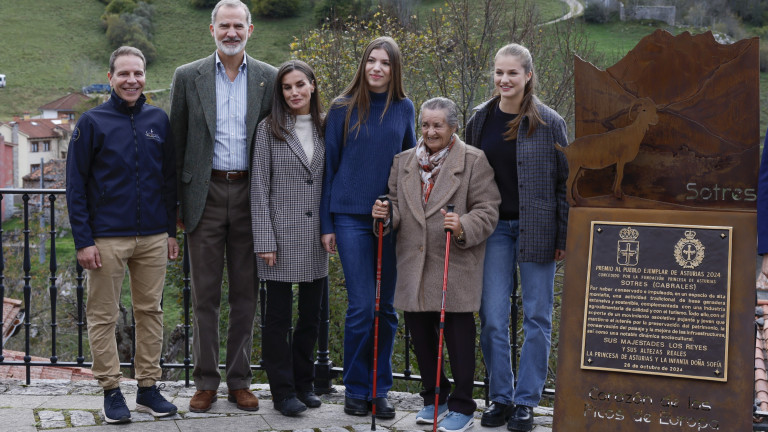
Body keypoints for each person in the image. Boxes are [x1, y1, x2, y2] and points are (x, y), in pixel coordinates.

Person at [169, 0, 277, 413]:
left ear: (250, 30)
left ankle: (239, 381)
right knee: (205, 295)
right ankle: (205, 381)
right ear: (211, 29)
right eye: (223, 26)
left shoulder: (269, 77)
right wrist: (175, 209)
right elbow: (176, 145)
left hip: (252, 195)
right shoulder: (187, 77)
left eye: (238, 26)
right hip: (205, 195)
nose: (231, 32)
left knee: (246, 295)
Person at [66, 46, 178, 424]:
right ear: (110, 76)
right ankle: (112, 391)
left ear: (145, 77)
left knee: (151, 311)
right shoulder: (91, 122)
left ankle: (147, 389)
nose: (132, 80)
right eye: (124, 73)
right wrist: (83, 240)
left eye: (139, 73)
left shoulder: (158, 120)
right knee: (103, 315)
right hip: (106, 239)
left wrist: (171, 230)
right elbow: (75, 185)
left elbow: (168, 181)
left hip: (152, 237)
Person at [373, 97, 500, 432]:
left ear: (453, 127)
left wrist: (463, 225)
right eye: (425, 125)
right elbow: (397, 206)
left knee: (457, 334)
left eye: (437, 125)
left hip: (453, 262)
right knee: (420, 332)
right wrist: (386, 216)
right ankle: (434, 396)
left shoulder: (473, 161)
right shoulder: (403, 162)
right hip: (413, 262)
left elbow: (488, 210)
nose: (430, 131)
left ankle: (462, 404)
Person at [465, 43, 569, 432]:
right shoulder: (480, 118)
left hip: (539, 230)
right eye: (498, 72)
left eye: (512, 73)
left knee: (537, 318)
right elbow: (468, 176)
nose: (504, 80)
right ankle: (501, 398)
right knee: (492, 316)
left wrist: (563, 234)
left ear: (528, 75)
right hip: (494, 231)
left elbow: (565, 183)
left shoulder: (550, 122)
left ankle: (526, 402)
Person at [320, 36, 417, 418]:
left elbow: (409, 167)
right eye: (371, 61)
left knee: (387, 309)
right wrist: (327, 223)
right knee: (362, 306)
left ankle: (380, 389)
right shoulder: (342, 109)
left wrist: (395, 207)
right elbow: (329, 168)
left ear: (395, 70)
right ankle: (356, 388)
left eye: (385, 63)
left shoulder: (405, 108)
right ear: (363, 65)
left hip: (391, 221)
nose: (376, 68)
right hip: (349, 218)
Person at [250, 60, 327, 417]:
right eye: (286, 87)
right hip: (279, 238)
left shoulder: (329, 127)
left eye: (300, 84)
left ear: (312, 85)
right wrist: (264, 238)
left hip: (316, 238)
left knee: (311, 316)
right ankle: (282, 392)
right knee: (278, 319)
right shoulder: (269, 129)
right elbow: (259, 187)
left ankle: (304, 383)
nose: (294, 92)